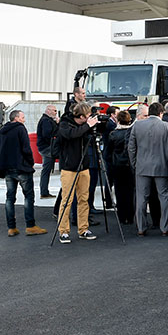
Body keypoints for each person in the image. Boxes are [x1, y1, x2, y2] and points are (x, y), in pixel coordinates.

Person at [128, 102, 168, 237]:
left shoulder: (138, 125)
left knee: (141, 198)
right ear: (161, 113)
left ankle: (141, 228)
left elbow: (131, 147)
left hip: (142, 166)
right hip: (162, 166)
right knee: (164, 197)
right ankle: (165, 228)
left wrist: (135, 163)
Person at [0, 110, 46, 237]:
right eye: (22, 117)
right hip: (21, 167)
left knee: (10, 198)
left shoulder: (2, 131)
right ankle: (30, 225)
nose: (24, 120)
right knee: (28, 196)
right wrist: (30, 162)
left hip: (7, 168)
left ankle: (11, 227)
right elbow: (26, 148)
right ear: (16, 118)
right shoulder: (20, 129)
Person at [55, 101, 100, 244]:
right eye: (87, 115)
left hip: (83, 167)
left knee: (83, 199)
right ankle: (63, 231)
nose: (90, 117)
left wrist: (93, 126)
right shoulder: (65, 124)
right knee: (67, 200)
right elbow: (71, 135)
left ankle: (83, 229)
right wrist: (88, 126)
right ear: (80, 116)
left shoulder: (84, 125)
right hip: (69, 167)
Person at [106, 110, 136, 225]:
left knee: (119, 191)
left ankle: (122, 216)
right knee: (130, 191)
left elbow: (108, 153)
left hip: (117, 165)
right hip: (130, 165)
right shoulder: (132, 133)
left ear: (118, 120)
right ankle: (130, 215)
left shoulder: (113, 134)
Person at [36, 105, 59, 198]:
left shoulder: (46, 120)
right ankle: (44, 191)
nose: (56, 112)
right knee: (46, 170)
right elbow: (47, 134)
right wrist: (57, 125)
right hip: (47, 148)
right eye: (54, 111)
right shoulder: (46, 121)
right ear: (48, 111)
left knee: (46, 170)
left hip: (46, 147)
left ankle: (44, 191)